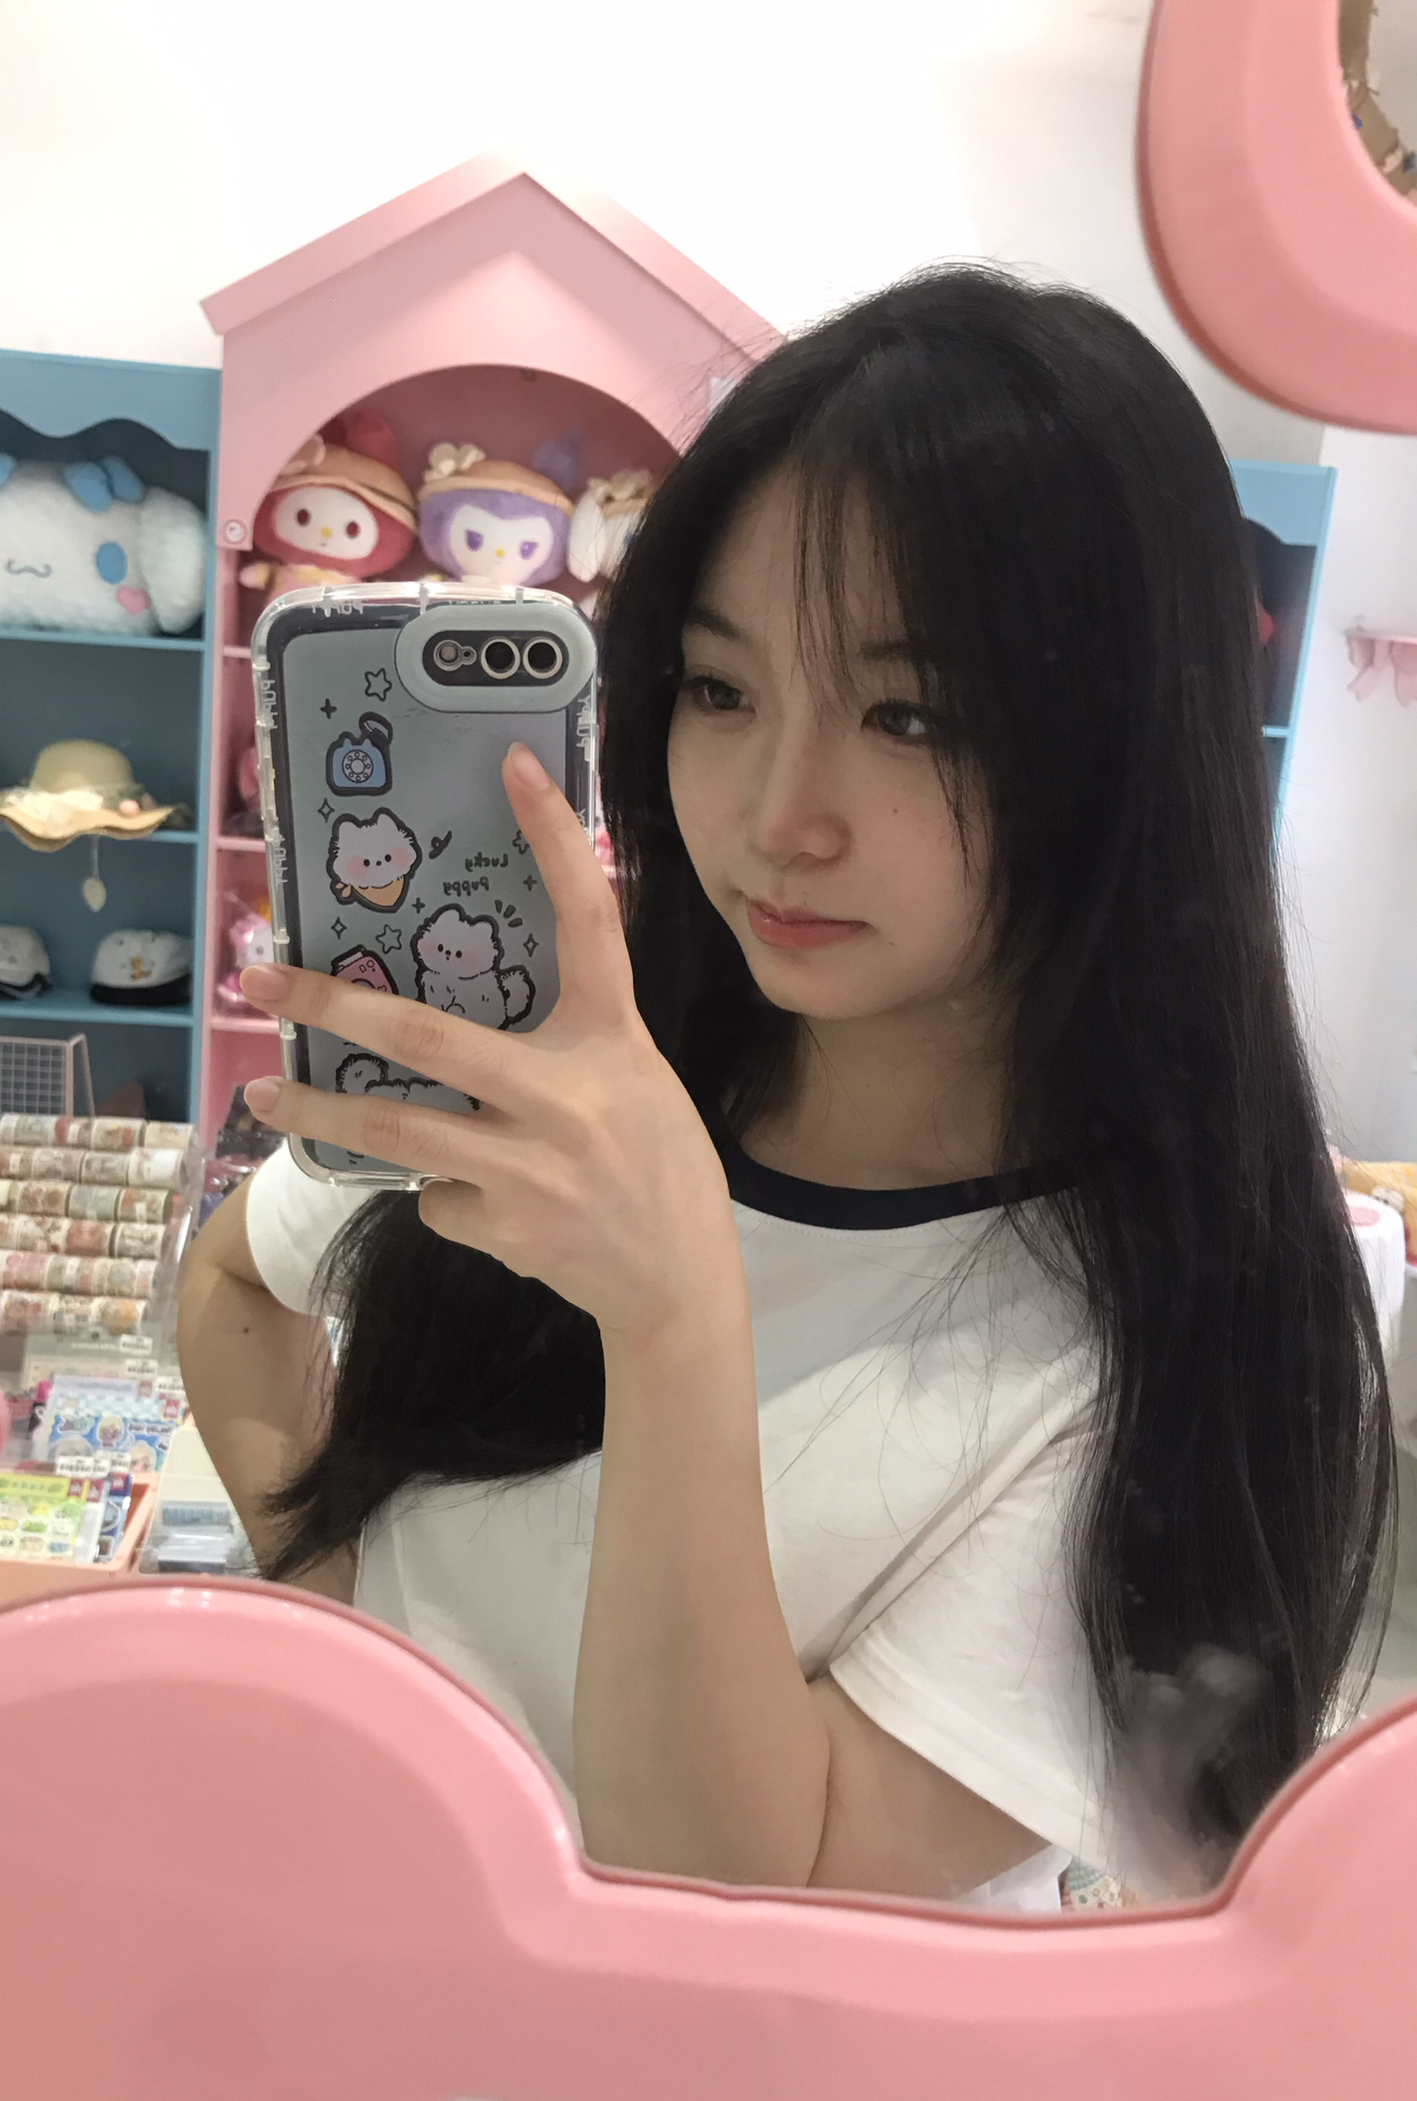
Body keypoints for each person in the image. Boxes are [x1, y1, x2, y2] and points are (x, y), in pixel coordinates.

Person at [177, 263, 1395, 1912]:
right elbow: (236, 1286)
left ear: (1124, 751)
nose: (775, 817)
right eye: (721, 689)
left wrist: (674, 1311)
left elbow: (743, 1907)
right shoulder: (588, 1074)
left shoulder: (1190, 1328)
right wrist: (357, 1663)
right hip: (358, 2013)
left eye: (910, 716)